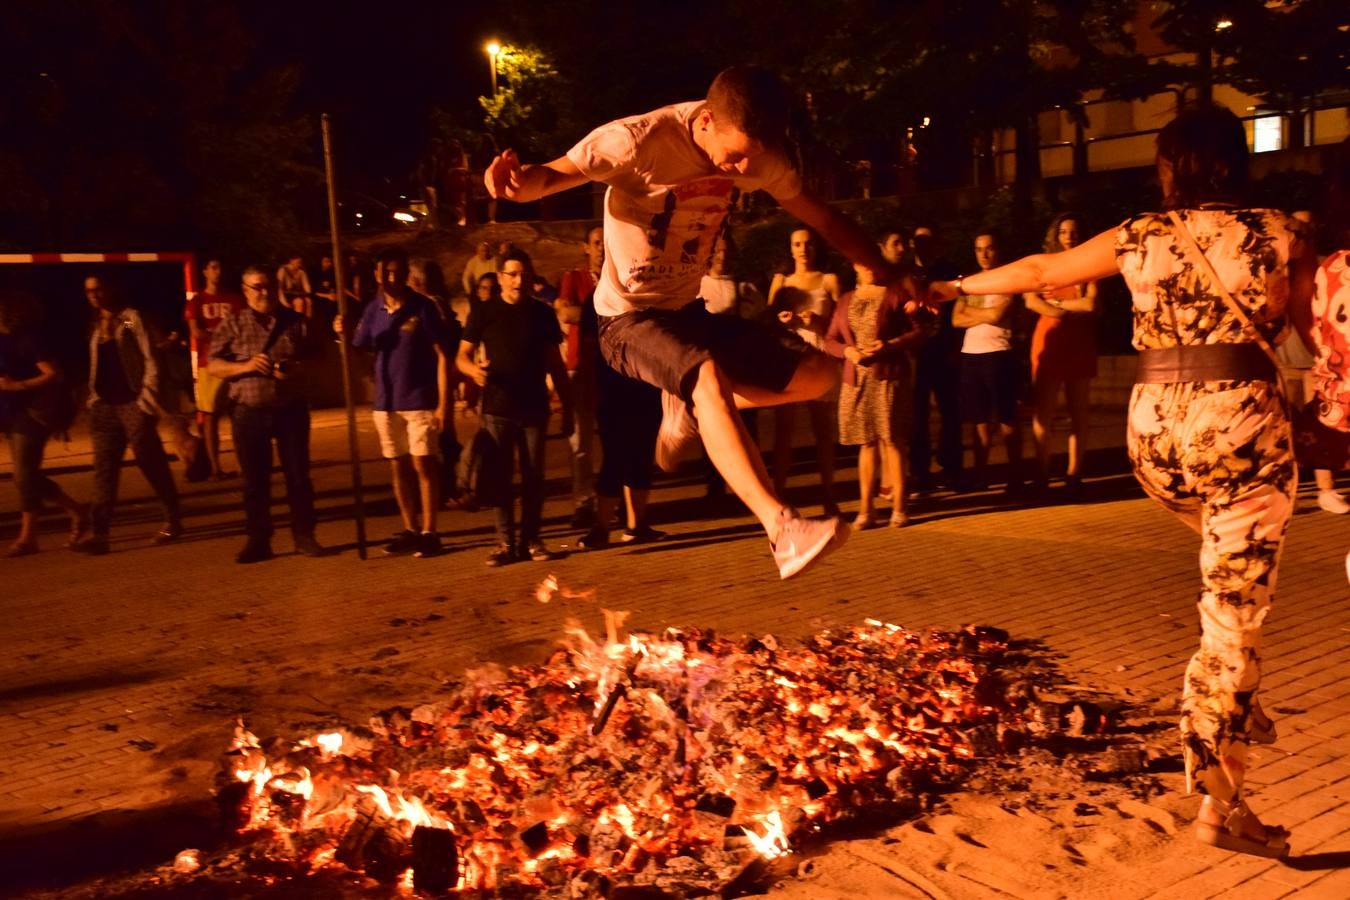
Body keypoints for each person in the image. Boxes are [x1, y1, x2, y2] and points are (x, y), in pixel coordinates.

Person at [931, 103, 1316, 859]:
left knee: (1227, 594)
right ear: (1235, 162)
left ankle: (1234, 696)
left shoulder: (1144, 233)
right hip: (1237, 430)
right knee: (1231, 623)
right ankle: (1221, 798)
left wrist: (949, 287)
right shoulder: (1278, 232)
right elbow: (1312, 333)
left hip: (1155, 442)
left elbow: (1040, 272)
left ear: (1170, 166)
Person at [484, 65, 907, 578]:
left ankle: (689, 406)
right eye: (733, 155)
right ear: (706, 121)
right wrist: (514, 184)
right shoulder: (633, 141)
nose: (739, 170)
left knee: (819, 375)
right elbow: (548, 177)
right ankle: (782, 529)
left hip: (688, 314)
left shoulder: (759, 156)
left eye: (750, 159)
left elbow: (825, 220)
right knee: (706, 380)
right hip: (626, 320)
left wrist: (887, 274)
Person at [457, 249, 573, 565]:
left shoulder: (542, 314)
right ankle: (505, 542)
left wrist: (568, 405)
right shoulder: (484, 312)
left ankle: (532, 540)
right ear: (500, 278)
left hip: (534, 406)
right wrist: (473, 371)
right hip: (497, 406)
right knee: (501, 477)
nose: (519, 280)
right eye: (512, 274)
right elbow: (461, 356)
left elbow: (555, 364)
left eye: (524, 274)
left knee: (534, 478)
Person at [337, 248, 454, 559]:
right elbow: (358, 349)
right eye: (386, 271)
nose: (393, 277)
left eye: (398, 271)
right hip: (385, 402)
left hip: (419, 398)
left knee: (423, 463)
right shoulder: (373, 310)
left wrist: (444, 404)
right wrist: (344, 334)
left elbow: (443, 355)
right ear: (377, 275)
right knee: (397, 464)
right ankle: (410, 528)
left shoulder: (423, 307)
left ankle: (430, 531)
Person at [209, 266, 324, 563]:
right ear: (245, 290)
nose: (265, 293)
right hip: (249, 411)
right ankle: (259, 540)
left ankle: (304, 535)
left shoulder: (296, 322)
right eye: (258, 287)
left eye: (269, 287)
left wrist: (297, 369)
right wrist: (245, 366)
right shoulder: (232, 324)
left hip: (291, 410)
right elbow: (214, 365)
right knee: (255, 481)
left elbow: (319, 357)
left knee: (298, 477)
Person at [77, 275, 183, 555]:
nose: (95, 296)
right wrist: (92, 397)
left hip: (132, 404)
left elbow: (148, 355)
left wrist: (146, 398)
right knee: (104, 471)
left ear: (111, 288)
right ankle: (99, 533)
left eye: (99, 289)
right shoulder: (93, 325)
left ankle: (172, 518)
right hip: (104, 407)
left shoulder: (126, 319)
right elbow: (94, 363)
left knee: (150, 462)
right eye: (89, 291)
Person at [825, 263, 924, 529]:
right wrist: (848, 352)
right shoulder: (846, 299)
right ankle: (866, 510)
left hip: (888, 375)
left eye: (871, 262)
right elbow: (830, 339)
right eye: (861, 263)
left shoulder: (894, 294)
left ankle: (899, 507)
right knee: (865, 442)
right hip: (856, 379)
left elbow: (918, 330)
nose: (868, 267)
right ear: (855, 266)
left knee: (892, 439)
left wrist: (889, 345)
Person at [577, 284, 666, 550]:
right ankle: (601, 528)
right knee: (614, 457)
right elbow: (588, 349)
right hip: (612, 389)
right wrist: (590, 388)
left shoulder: (648, 295)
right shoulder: (597, 298)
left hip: (646, 386)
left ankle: (637, 525)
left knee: (642, 455)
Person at [0, 291, 87, 556]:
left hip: (35, 411)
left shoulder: (28, 340)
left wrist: (18, 386)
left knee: (25, 474)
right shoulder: (2, 341)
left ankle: (29, 537)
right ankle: (78, 511)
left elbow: (54, 374)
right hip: (12, 413)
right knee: (25, 476)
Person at [768, 227, 841, 516]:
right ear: (790, 248)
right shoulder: (781, 281)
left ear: (816, 247)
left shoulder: (829, 280)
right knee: (783, 430)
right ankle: (778, 499)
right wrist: (783, 320)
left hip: (819, 356)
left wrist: (819, 321)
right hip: (789, 358)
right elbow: (768, 320)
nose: (802, 249)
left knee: (822, 430)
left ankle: (829, 496)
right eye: (797, 244)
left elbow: (840, 322)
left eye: (808, 244)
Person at [1023, 213, 1098, 493]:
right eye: (1064, 231)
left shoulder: (1090, 267)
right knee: (1044, 413)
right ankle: (1041, 472)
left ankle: (1074, 473)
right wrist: (1063, 307)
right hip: (1049, 343)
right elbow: (1031, 300)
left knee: (1079, 412)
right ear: (1055, 235)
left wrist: (1055, 305)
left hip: (1080, 343)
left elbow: (1090, 305)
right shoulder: (1045, 265)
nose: (1069, 236)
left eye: (1074, 231)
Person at [951, 232, 1023, 491]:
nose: (984, 254)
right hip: (971, 355)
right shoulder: (968, 282)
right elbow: (955, 319)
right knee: (979, 420)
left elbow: (998, 314)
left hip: (999, 352)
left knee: (1007, 418)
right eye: (979, 249)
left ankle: (1015, 476)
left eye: (989, 248)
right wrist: (984, 314)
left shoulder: (1007, 279)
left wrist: (972, 312)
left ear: (997, 250)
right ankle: (981, 475)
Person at [556, 226, 605, 528]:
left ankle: (615, 497)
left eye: (605, 242)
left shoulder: (618, 276)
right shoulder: (574, 278)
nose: (601, 247)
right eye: (596, 243)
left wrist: (584, 313)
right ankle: (583, 502)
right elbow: (565, 313)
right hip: (581, 367)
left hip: (611, 369)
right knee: (581, 443)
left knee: (615, 439)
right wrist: (607, 315)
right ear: (585, 247)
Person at [908, 224, 963, 493]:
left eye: (927, 240)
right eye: (918, 240)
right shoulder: (905, 274)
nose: (922, 245)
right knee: (917, 414)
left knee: (950, 410)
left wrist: (956, 345)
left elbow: (957, 311)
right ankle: (920, 471)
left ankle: (951, 466)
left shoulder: (948, 271)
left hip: (943, 348)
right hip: (916, 351)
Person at [185, 259, 245, 479]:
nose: (217, 272)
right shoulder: (197, 301)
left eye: (220, 267)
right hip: (207, 364)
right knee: (210, 417)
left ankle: (243, 464)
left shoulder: (234, 300)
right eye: (213, 267)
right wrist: (222, 338)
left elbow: (243, 328)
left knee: (239, 415)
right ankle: (214, 467)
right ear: (204, 271)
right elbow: (196, 332)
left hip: (234, 363)